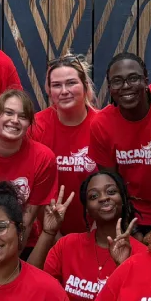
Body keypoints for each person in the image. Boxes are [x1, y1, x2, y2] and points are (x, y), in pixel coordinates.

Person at [30, 170, 146, 301]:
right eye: (93, 196)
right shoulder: (67, 245)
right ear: (87, 210)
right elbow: (30, 284)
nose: (104, 198)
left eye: (111, 192)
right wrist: (48, 233)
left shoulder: (143, 254)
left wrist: (123, 265)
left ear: (124, 200)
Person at [90, 52, 151, 230]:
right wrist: (129, 227)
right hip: (127, 213)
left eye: (133, 78)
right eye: (117, 81)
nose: (126, 86)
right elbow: (111, 183)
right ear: (110, 87)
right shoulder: (101, 124)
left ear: (146, 80)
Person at [31, 54, 99, 235]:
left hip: (96, 230)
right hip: (47, 233)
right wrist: (53, 237)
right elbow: (33, 189)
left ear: (85, 86)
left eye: (71, 83)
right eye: (56, 85)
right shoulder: (36, 126)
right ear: (48, 90)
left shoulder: (102, 124)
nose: (64, 91)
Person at [0, 89, 58, 232]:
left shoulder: (43, 157)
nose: (15, 120)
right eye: (8, 113)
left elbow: (27, 222)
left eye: (22, 116)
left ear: (29, 123)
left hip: (22, 239)